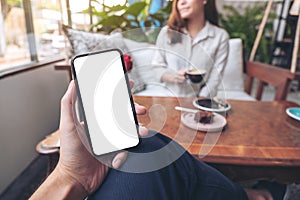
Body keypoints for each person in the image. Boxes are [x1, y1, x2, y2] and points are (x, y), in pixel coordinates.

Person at [31, 81, 286, 200]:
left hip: (200, 95)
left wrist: (69, 176)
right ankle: (254, 196)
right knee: (147, 147)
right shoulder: (169, 34)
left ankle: (253, 196)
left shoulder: (217, 34)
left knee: (145, 146)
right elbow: (162, 72)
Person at [152, 0, 229, 98]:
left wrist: (200, 101)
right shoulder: (166, 32)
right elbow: (156, 68)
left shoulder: (220, 36)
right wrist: (174, 76)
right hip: (169, 99)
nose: (182, 2)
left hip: (201, 102)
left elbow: (215, 78)